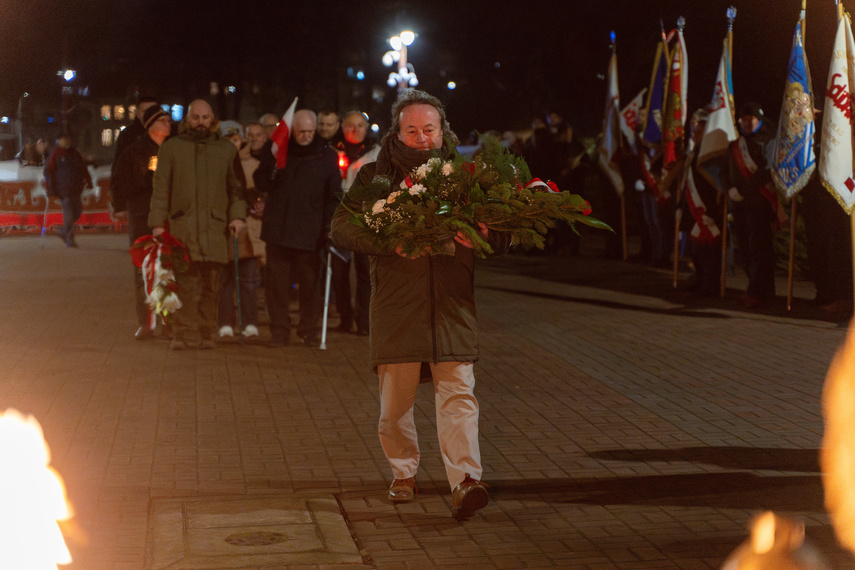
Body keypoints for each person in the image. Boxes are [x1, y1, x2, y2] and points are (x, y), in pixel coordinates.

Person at [331, 89, 508, 520]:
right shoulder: (375, 176)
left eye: (429, 129)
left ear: (442, 129)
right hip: (397, 306)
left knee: (459, 396)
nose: (422, 137)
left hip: (452, 305)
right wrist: (389, 242)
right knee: (395, 406)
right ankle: (403, 472)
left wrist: (486, 233)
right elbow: (341, 227)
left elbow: (502, 230)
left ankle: (466, 480)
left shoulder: (467, 176)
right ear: (397, 132)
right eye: (412, 130)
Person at [148, 99, 246, 350]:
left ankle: (205, 331)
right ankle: (183, 332)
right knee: (185, 284)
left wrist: (237, 216)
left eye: (205, 117)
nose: (200, 122)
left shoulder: (226, 150)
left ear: (212, 118)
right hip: (184, 227)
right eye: (195, 117)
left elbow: (237, 188)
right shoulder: (171, 148)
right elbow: (161, 189)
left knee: (212, 286)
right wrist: (157, 222)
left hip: (215, 227)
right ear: (187, 118)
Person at [261, 109, 340, 348]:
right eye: (301, 131)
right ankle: (279, 331)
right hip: (278, 230)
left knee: (310, 287)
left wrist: (329, 226)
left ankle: (308, 329)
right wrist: (271, 171)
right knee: (276, 288)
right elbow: (260, 180)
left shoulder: (325, 156)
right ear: (292, 130)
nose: (306, 136)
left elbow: (333, 195)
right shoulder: (277, 150)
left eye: (310, 131)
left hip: (310, 232)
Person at [112, 105, 173, 339]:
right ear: (151, 126)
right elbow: (121, 184)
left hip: (168, 217)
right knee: (143, 268)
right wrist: (147, 179)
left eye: (169, 120)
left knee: (166, 268)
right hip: (142, 216)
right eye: (163, 121)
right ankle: (146, 321)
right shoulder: (134, 152)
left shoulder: (174, 148)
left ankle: (168, 319)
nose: (168, 124)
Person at [331, 111, 379, 335]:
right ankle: (344, 317)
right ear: (342, 127)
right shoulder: (332, 150)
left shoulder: (375, 153)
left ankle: (364, 321)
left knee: (364, 273)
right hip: (338, 216)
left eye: (361, 125)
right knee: (339, 272)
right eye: (351, 125)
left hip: (363, 218)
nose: (356, 130)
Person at [726, 102, 778, 308]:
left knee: (759, 248)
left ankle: (760, 293)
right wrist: (730, 188)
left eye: (751, 119)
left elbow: (768, 169)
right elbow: (726, 167)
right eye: (743, 119)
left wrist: (744, 190)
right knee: (746, 249)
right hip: (739, 202)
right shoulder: (736, 142)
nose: (746, 123)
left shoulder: (768, 139)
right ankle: (756, 289)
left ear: (759, 120)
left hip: (759, 203)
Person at [217, 122, 261, 340]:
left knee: (248, 278)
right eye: (227, 140)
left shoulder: (253, 163)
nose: (232, 144)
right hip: (223, 229)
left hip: (249, 229)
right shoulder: (216, 163)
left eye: (235, 139)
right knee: (224, 279)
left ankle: (250, 321)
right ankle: (225, 321)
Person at [43, 134, 93, 248]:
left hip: (76, 188)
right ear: (59, 141)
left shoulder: (75, 154)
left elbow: (83, 168)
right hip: (63, 189)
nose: (66, 141)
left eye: (68, 139)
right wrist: (50, 187)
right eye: (63, 139)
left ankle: (63, 230)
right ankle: (70, 239)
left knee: (77, 212)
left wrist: (89, 181)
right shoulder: (55, 154)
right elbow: (48, 172)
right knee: (69, 214)